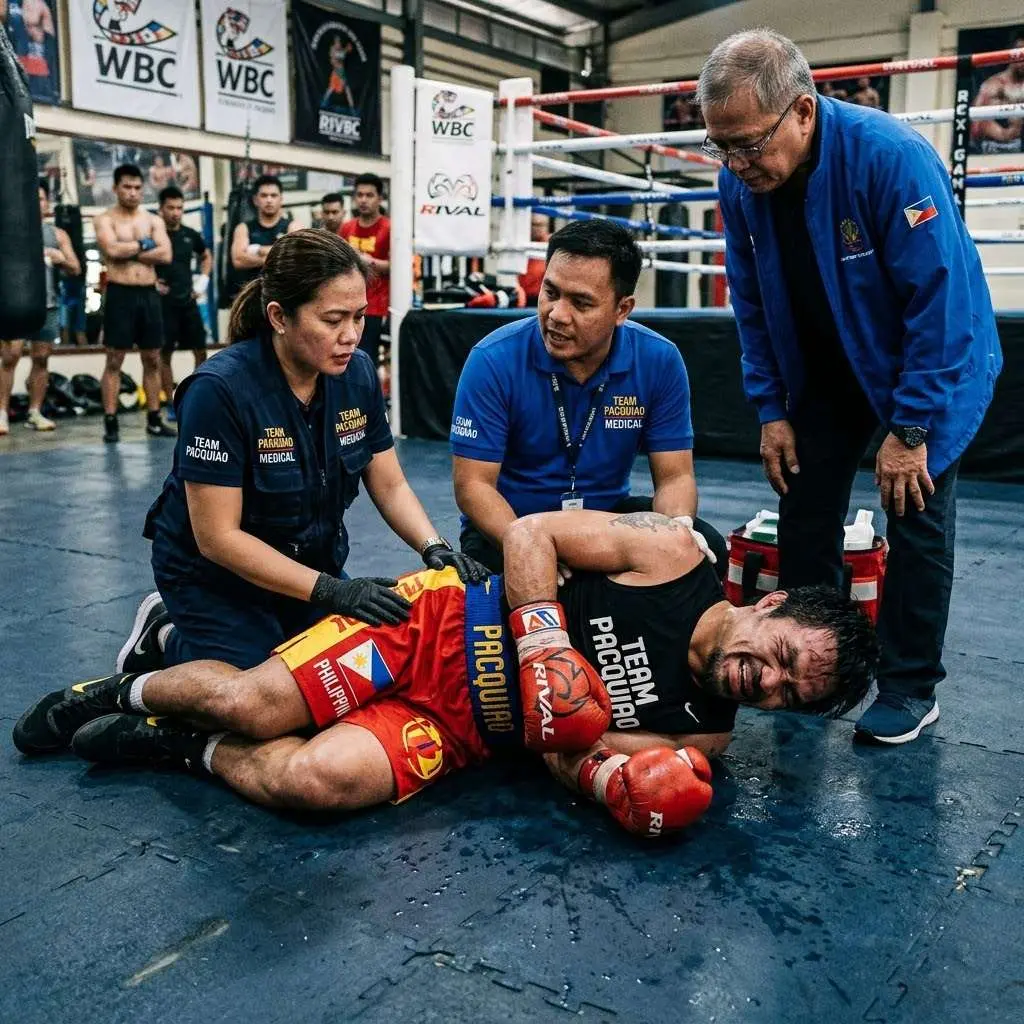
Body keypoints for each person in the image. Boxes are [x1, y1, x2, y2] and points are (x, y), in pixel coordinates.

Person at [13, 509, 877, 839]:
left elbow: (563, 745)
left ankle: (176, 748)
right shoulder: (673, 556)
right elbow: (532, 533)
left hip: (465, 732)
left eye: (789, 698)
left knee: (318, 780)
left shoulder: (705, 733)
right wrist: (542, 639)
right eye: (787, 659)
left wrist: (612, 780)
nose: (769, 683)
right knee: (252, 703)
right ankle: (124, 684)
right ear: (774, 607)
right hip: (431, 626)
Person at [696, 29, 1002, 744]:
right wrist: (772, 410)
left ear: (802, 111)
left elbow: (941, 300)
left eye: (748, 144)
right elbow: (749, 301)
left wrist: (913, 428)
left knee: (915, 514)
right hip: (825, 368)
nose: (738, 164)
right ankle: (810, 667)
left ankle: (910, 685)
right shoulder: (740, 185)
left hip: (925, 364)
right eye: (722, 147)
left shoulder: (891, 158)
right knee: (804, 510)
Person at [116, 229, 487, 674]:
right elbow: (218, 537)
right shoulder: (219, 391)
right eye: (333, 320)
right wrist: (332, 592)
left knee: (366, 668)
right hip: (214, 578)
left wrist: (433, 547)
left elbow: (387, 480)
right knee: (261, 688)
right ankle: (165, 636)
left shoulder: (358, 374)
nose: (351, 335)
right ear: (278, 316)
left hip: (308, 564)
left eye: (359, 317)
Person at [450, 218, 727, 579]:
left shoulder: (659, 359)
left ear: (622, 310)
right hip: (511, 522)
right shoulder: (493, 358)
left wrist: (677, 530)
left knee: (704, 546)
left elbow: (675, 477)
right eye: (550, 293)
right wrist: (528, 545)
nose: (557, 315)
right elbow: (473, 486)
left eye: (581, 303)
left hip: (605, 521)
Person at [94, 163, 176, 443]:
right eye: (126, 187)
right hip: (120, 293)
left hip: (148, 294)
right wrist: (145, 245)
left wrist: (129, 250)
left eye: (137, 188)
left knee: (152, 357)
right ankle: (110, 420)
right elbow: (111, 250)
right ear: (116, 188)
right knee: (114, 359)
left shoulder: (153, 220)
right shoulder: (105, 219)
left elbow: (166, 255)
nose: (132, 193)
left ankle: (154, 418)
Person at [0, 179, 80, 435]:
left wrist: (60, 258)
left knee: (41, 358)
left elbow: (75, 268)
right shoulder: (8, 230)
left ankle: (35, 411)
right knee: (10, 357)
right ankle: (1, 412)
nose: (36, 204)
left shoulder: (57, 235)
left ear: (47, 204)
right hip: (16, 304)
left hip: (47, 305)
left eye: (41, 199)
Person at [155, 185, 212, 417]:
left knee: (200, 350)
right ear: (161, 209)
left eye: (179, 208)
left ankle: (197, 398)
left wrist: (203, 281)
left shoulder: (190, 234)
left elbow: (206, 256)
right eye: (171, 208)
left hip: (188, 301)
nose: (176, 212)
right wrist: (152, 282)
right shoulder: (156, 235)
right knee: (164, 354)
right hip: (164, 304)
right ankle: (170, 403)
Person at [340, 173, 390, 365]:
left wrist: (363, 260)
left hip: (377, 306)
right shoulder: (346, 228)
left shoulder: (389, 227)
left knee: (367, 360)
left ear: (380, 198)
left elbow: (397, 266)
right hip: (346, 302)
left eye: (369, 195)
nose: (363, 200)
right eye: (359, 195)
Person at [230, 174, 299, 295]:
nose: (269, 200)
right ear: (255, 200)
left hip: (282, 293)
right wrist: (277, 255)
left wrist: (258, 249)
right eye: (264, 195)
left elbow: (294, 257)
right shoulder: (243, 228)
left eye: (273, 195)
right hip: (252, 294)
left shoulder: (293, 226)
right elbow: (238, 260)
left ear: (281, 199)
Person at [970, 30, 1024, 148]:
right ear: (1011, 54)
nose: (1022, 59)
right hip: (994, 146)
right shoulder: (994, 85)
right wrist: (1003, 134)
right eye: (1019, 52)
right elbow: (976, 125)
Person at [518, 213, 550, 306]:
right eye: (534, 224)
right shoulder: (520, 243)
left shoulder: (552, 244)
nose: (537, 228)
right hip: (521, 297)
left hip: (541, 298)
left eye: (540, 225)